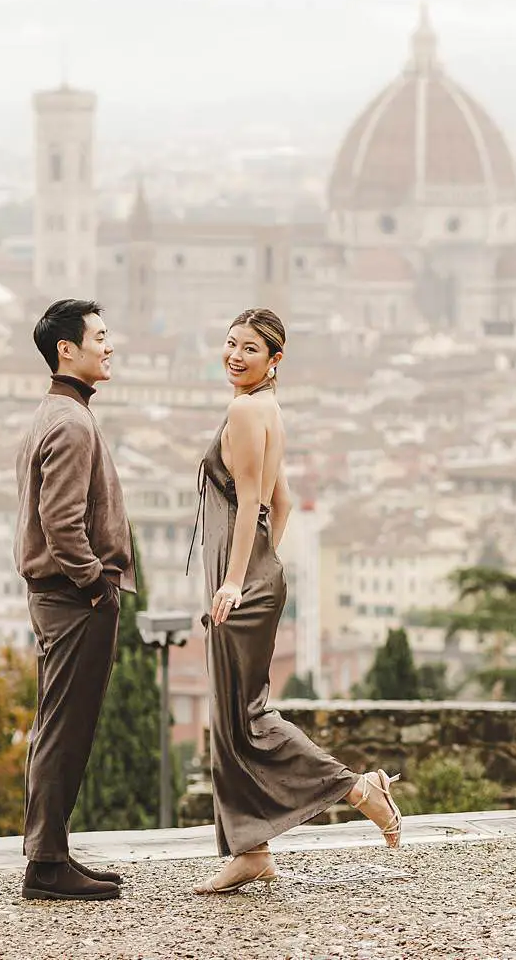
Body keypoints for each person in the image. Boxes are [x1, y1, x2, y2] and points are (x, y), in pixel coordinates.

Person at [188, 307, 402, 895]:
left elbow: (255, 497)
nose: (235, 355)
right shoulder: (267, 410)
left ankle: (359, 790)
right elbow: (280, 506)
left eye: (250, 349)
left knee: (246, 718)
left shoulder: (243, 409)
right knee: (231, 720)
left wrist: (237, 580)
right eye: (230, 344)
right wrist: (261, 563)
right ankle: (250, 849)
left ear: (274, 359)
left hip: (240, 582)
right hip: (256, 574)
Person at [13, 299, 136, 901]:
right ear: (68, 349)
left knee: (55, 725)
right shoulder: (71, 423)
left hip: (59, 596)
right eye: (101, 337)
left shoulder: (55, 413)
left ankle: (49, 852)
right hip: (73, 598)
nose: (109, 346)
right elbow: (62, 524)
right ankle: (47, 864)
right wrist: (97, 587)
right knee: (66, 729)